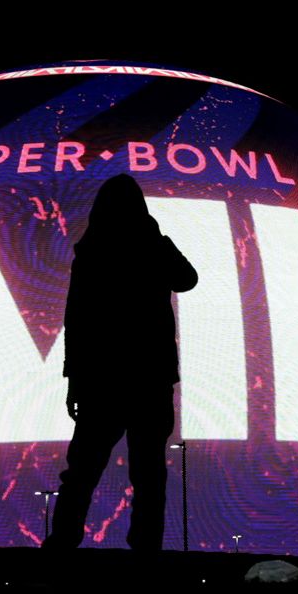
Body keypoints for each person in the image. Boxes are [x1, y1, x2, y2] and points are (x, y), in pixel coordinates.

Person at [43, 174, 198, 552]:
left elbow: (75, 322)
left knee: (81, 471)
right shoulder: (151, 248)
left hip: (102, 381)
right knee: (148, 474)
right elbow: (187, 278)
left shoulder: (91, 253)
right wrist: (158, 240)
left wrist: (74, 383)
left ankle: (63, 543)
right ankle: (146, 548)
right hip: (149, 379)